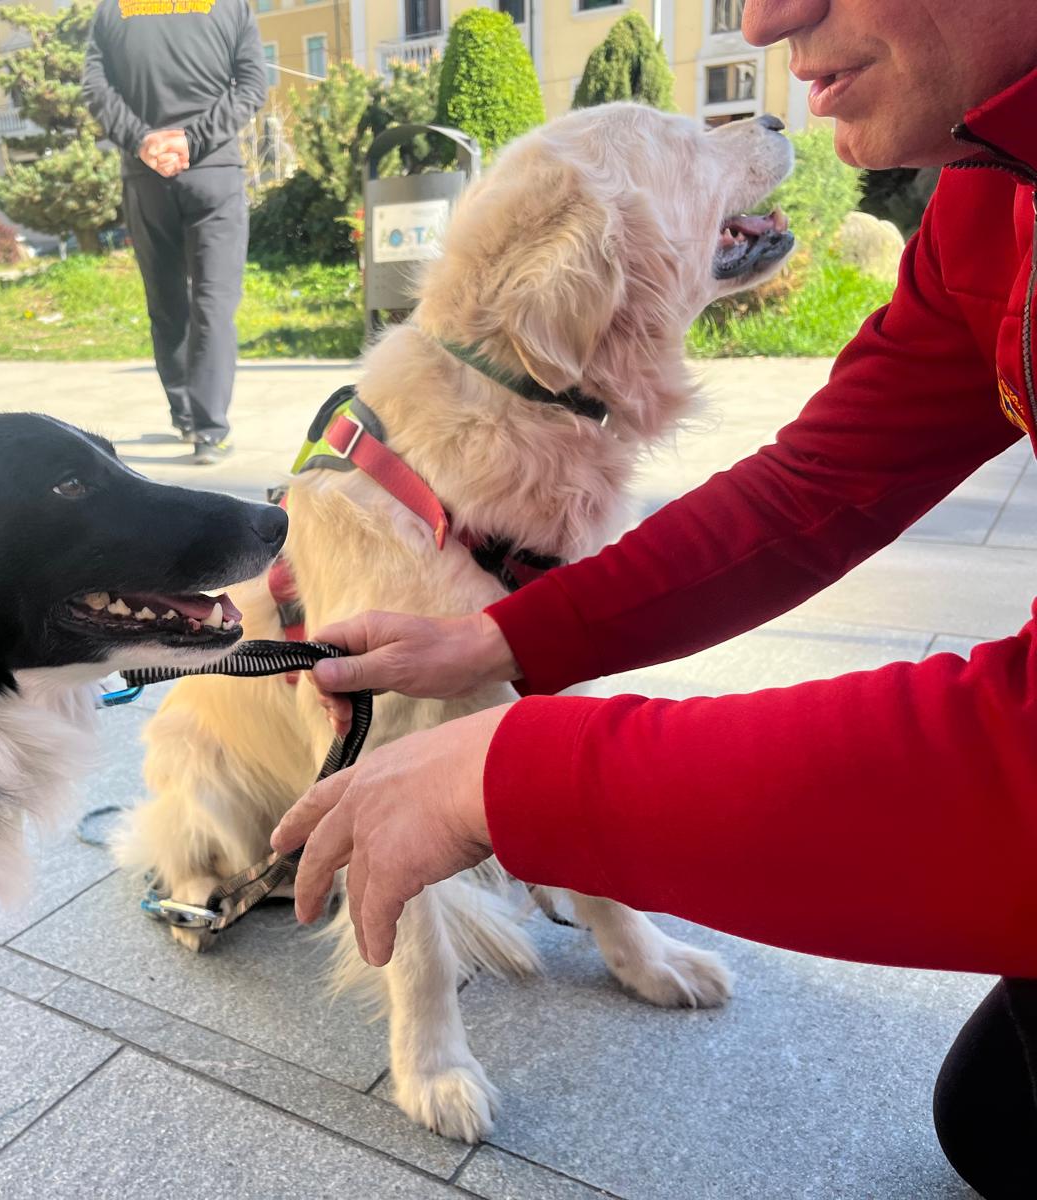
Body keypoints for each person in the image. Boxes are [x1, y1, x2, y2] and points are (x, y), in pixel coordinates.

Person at [268, 2, 1037, 1196]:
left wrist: (521, 777)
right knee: (996, 1119)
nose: (769, 18)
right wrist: (499, 636)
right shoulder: (993, 195)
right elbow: (818, 489)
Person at [83, 0, 267, 465]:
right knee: (214, 302)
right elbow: (251, 85)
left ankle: (185, 413)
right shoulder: (230, 7)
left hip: (145, 177)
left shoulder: (113, 10)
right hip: (214, 175)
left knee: (166, 303)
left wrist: (142, 139)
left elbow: (96, 88)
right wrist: (194, 139)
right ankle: (209, 430)